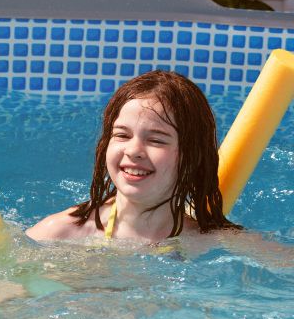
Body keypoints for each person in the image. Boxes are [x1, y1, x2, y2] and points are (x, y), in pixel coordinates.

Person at [27, 70, 242, 243]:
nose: (133, 150)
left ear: (192, 157)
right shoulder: (58, 235)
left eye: (156, 140)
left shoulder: (213, 243)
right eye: (122, 135)